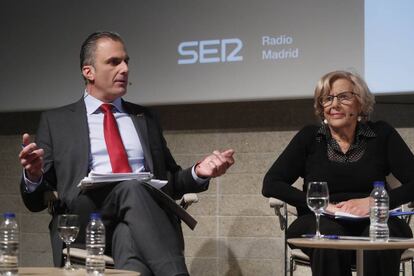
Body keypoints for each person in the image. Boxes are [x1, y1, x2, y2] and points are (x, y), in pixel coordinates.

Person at [18, 31, 235, 276]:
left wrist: (199, 172)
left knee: (129, 234)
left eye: (126, 61)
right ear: (88, 72)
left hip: (137, 217)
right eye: (113, 62)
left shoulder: (145, 118)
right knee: (132, 186)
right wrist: (34, 176)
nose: (124, 69)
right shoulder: (56, 121)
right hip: (84, 216)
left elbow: (169, 183)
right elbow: (35, 203)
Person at [262, 70, 414, 276]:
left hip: (374, 219)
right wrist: (322, 205)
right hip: (321, 220)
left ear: (360, 102)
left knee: (377, 239)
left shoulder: (381, 134)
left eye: (343, 97)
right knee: (329, 237)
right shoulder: (310, 137)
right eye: (327, 98)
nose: (334, 105)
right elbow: (271, 183)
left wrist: (375, 203)